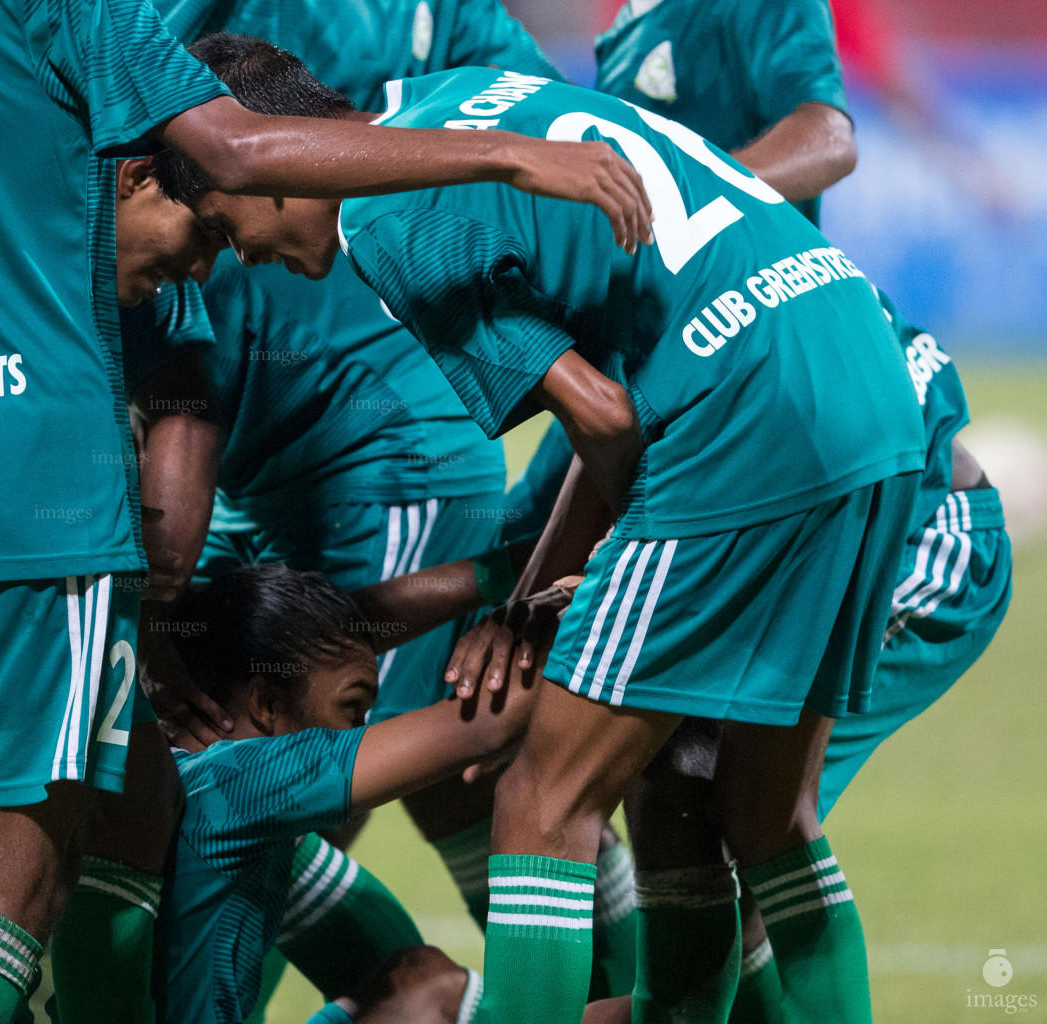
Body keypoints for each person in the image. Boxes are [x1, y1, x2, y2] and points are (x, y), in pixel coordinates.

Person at [0, 1, 654, 1019]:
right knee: (32, 875)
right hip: (55, 487)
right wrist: (510, 159)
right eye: (211, 245)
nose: (208, 273)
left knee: (139, 811)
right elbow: (226, 143)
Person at [153, 33, 928, 1023]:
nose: (237, 254)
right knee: (753, 812)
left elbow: (603, 418)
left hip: (739, 410)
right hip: (860, 374)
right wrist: (537, 591)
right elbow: (599, 406)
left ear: (270, 158)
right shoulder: (449, 101)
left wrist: (541, 598)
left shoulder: (382, 219)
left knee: (540, 803)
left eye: (223, 220)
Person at [592, 3, 1014, 1020]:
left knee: (745, 802)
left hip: (903, 527)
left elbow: (830, 131)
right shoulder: (621, 35)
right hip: (767, 507)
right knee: (673, 789)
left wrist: (690, 213)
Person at [155, 563, 630, 1024]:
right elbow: (487, 728)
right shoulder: (240, 781)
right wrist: (614, 591)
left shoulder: (185, 771)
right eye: (352, 706)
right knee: (437, 994)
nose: (361, 731)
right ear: (266, 703)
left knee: (419, 980)